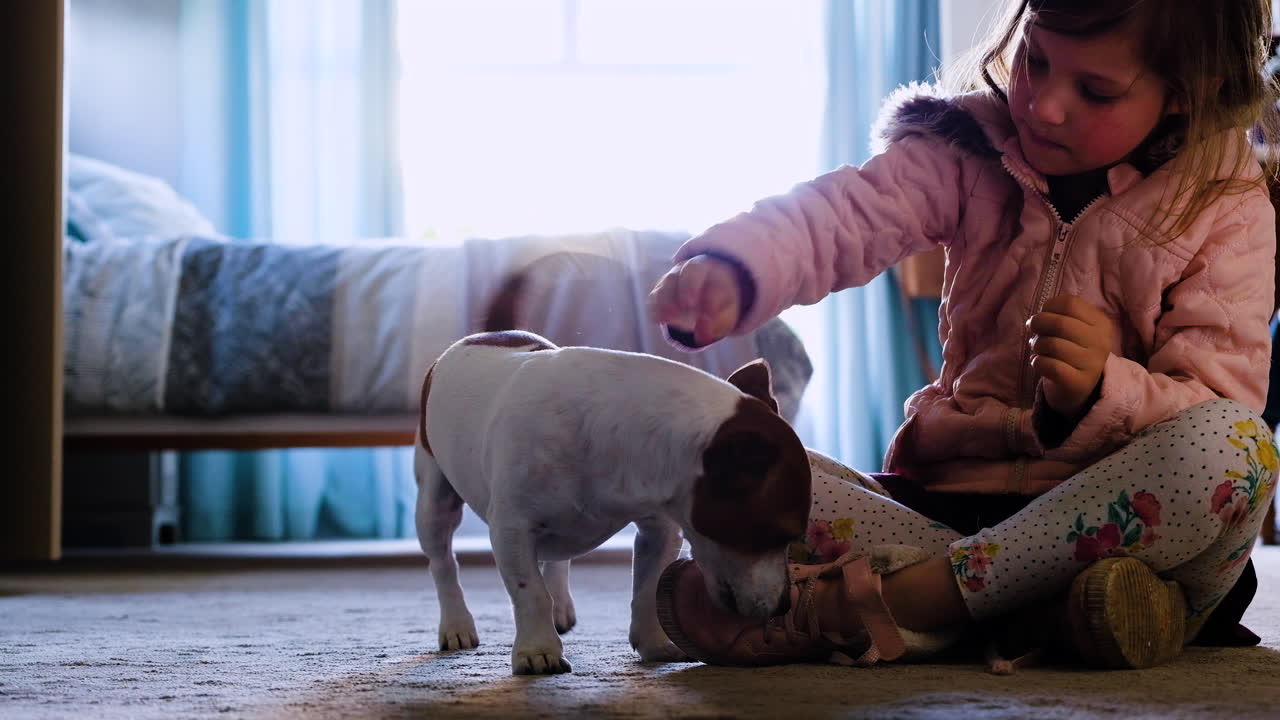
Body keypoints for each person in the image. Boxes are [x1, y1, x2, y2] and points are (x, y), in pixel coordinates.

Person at [648, 0, 1279, 671]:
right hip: (947, 512)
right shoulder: (968, 146)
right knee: (741, 467)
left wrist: (1100, 394)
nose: (1044, 106)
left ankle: (916, 603)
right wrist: (737, 267)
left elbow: (1220, 395)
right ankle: (1051, 613)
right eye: (1035, 61)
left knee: (1236, 448)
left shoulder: (1225, 201)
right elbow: (845, 215)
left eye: (1094, 90)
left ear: (1190, 92)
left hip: (1118, 525)